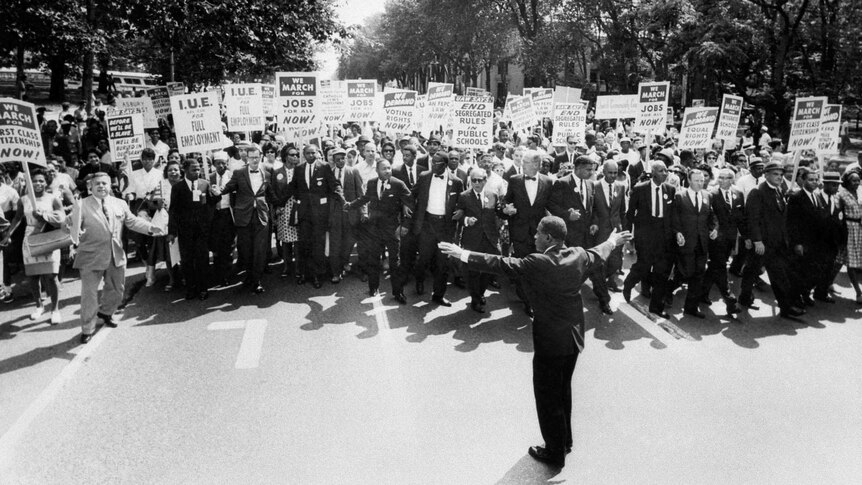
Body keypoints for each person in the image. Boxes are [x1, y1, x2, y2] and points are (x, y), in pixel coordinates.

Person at [439, 216, 632, 468]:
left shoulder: (537, 262)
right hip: (573, 337)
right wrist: (613, 240)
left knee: (547, 396)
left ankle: (554, 453)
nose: (534, 237)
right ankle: (565, 441)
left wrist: (462, 253)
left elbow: (498, 263)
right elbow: (600, 252)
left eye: (538, 233)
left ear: (549, 238)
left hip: (549, 341)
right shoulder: (578, 255)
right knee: (563, 390)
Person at [74, 172, 162, 343]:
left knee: (116, 289)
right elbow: (69, 226)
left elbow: (132, 221)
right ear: (89, 187)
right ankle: (87, 328)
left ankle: (106, 313)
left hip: (115, 253)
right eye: (97, 184)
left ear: (110, 186)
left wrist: (151, 228)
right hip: (90, 257)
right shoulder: (81, 205)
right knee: (89, 295)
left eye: (104, 183)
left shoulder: (119, 203)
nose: (101, 186)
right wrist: (73, 231)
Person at [548, 155, 613, 315]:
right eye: (588, 169)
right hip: (571, 236)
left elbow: (594, 209)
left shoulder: (591, 184)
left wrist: (594, 223)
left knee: (596, 267)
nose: (592, 172)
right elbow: (551, 204)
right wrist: (566, 215)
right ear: (577, 168)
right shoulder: (563, 183)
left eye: (593, 169)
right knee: (570, 270)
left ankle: (604, 301)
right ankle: (561, 302)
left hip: (587, 236)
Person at [1, 170, 67, 324]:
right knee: (32, 276)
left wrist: (44, 216)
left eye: (41, 181)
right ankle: (39, 306)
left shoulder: (53, 198)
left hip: (49, 236)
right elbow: (17, 217)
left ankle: (55, 309)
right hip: (29, 237)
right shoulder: (23, 199)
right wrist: (8, 234)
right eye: (35, 181)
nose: (38, 184)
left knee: (51, 276)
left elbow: (62, 217)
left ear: (46, 183)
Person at [741, 161, 805, 318]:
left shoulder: (780, 191)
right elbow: (752, 219)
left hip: (777, 244)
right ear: (766, 175)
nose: (779, 177)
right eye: (775, 174)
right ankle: (744, 297)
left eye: (781, 175)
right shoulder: (757, 192)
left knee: (779, 275)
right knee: (751, 270)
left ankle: (786, 308)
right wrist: (757, 240)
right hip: (762, 243)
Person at [346, 159, 413, 302]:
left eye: (389, 168)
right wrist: (350, 205)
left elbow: (410, 203)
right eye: (384, 168)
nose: (388, 171)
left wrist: (405, 225)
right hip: (374, 230)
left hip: (392, 230)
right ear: (377, 170)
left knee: (395, 262)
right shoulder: (371, 183)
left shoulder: (398, 184)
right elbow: (365, 198)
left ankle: (398, 292)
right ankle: (373, 288)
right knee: (373, 260)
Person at [501, 150, 554, 316]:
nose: (521, 165)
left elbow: (551, 205)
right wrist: (505, 210)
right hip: (520, 233)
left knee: (537, 268)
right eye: (522, 162)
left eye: (526, 163)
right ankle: (527, 301)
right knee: (523, 268)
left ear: (537, 165)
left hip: (539, 235)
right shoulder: (514, 180)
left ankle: (533, 296)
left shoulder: (547, 181)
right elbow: (505, 204)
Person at [216, 147, 274, 294]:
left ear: (261, 157)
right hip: (244, 216)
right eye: (251, 157)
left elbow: (271, 194)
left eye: (257, 157)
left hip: (261, 216)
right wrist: (219, 191)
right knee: (246, 250)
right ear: (246, 158)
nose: (254, 160)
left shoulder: (267, 173)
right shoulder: (239, 173)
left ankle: (257, 280)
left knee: (260, 251)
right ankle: (249, 276)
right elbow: (229, 187)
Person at [623, 160, 676, 318]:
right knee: (644, 266)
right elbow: (630, 213)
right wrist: (628, 235)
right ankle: (629, 283)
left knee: (661, 272)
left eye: (666, 170)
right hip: (645, 234)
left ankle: (656, 307)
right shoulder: (640, 189)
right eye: (661, 171)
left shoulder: (671, 189)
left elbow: (672, 215)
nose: (665, 173)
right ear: (653, 173)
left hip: (664, 236)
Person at [412, 151, 464, 305]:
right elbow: (412, 195)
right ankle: (419, 281)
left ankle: (438, 295)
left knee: (443, 263)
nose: (433, 165)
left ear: (446, 164)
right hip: (427, 223)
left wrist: (461, 210)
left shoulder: (457, 182)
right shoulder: (424, 177)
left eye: (437, 163)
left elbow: (463, 201)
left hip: (445, 226)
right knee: (424, 258)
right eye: (432, 162)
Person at [288, 144, 344, 288]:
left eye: (313, 153)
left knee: (318, 245)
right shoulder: (299, 168)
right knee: (305, 244)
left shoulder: (324, 167)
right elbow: (293, 187)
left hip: (320, 213)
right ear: (304, 155)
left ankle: (317, 275)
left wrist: (342, 198)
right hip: (304, 213)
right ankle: (304, 274)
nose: (311, 155)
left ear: (318, 153)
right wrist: (279, 201)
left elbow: (334, 185)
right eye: (308, 153)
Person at [670, 169, 717, 318]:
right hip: (686, 242)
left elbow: (711, 216)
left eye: (702, 180)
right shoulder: (680, 196)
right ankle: (665, 291)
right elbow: (674, 217)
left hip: (702, 242)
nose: (700, 183)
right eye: (696, 180)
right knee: (685, 273)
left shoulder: (707, 195)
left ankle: (691, 307)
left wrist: (714, 228)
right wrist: (677, 232)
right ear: (689, 181)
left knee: (698, 274)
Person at [455, 168, 500, 313]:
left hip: (489, 239)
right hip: (472, 239)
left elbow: (498, 213)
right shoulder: (464, 196)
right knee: (472, 272)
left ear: (485, 181)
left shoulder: (492, 195)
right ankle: (475, 299)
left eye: (480, 180)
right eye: (473, 180)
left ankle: (480, 293)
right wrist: (467, 220)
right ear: (470, 181)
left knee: (488, 271)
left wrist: (506, 212)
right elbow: (458, 216)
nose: (477, 183)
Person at [701, 168, 745, 315]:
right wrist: (711, 231)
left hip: (730, 238)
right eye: (720, 177)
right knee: (720, 267)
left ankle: (702, 292)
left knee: (715, 266)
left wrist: (746, 237)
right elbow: (707, 216)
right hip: (715, 238)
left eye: (726, 178)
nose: (722, 180)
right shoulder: (711, 194)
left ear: (732, 179)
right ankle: (729, 299)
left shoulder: (738, 194)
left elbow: (741, 218)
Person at [168, 159, 214, 301]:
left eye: (198, 169)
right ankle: (190, 288)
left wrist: (216, 194)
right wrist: (172, 232)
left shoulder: (205, 184)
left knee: (202, 260)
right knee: (187, 261)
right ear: (185, 170)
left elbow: (211, 204)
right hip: (185, 231)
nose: (197, 172)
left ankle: (203, 288)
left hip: (201, 231)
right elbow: (173, 211)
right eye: (194, 169)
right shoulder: (177, 187)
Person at [329, 147, 365, 283]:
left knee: (349, 242)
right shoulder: (330, 173)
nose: (340, 161)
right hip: (335, 215)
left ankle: (344, 262)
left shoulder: (353, 171)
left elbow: (361, 194)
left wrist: (362, 212)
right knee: (335, 244)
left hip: (351, 214)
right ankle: (335, 272)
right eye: (337, 159)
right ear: (333, 160)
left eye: (343, 158)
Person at [590, 159, 626, 292]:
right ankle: (600, 286)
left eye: (615, 173)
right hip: (601, 229)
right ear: (603, 171)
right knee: (601, 260)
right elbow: (591, 209)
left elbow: (622, 211)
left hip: (616, 229)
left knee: (615, 260)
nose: (613, 175)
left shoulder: (621, 186)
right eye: (610, 172)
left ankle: (610, 280)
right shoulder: (594, 186)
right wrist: (594, 223)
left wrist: (624, 230)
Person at [270, 146, 299, 279]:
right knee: (286, 240)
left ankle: (298, 266)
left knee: (298, 239)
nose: (295, 157)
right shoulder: (277, 172)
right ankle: (287, 265)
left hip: (297, 208)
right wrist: (277, 207)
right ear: (285, 156)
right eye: (292, 154)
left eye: (296, 154)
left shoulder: (300, 170)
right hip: (283, 209)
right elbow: (273, 191)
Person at [815, 172, 845, 302]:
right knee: (815, 269)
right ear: (825, 184)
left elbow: (840, 221)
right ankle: (804, 294)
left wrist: (841, 241)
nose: (836, 188)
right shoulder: (816, 198)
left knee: (828, 268)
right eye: (833, 185)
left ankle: (821, 293)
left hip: (832, 242)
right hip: (818, 241)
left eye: (838, 185)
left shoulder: (837, 199)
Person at [836, 168, 862, 303]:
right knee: (851, 264)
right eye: (853, 180)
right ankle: (859, 292)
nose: (856, 183)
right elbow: (838, 214)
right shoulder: (841, 194)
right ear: (847, 181)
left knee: (840, 260)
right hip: (848, 230)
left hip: (859, 230)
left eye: (858, 180)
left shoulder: (859, 192)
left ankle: (824, 284)